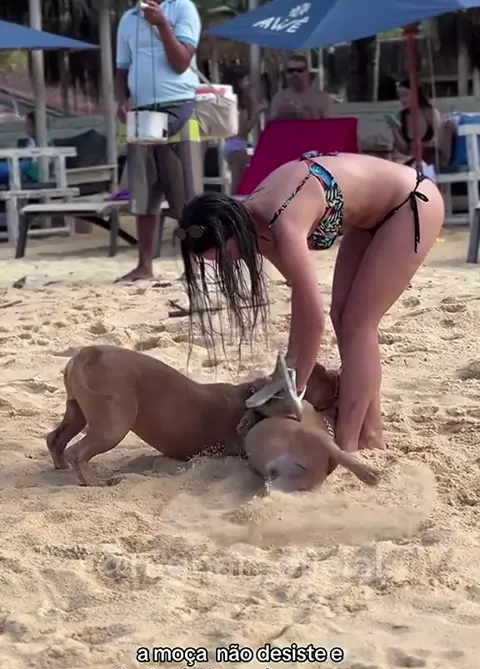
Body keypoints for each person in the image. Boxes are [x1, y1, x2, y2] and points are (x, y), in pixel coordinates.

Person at [176, 153, 444, 453]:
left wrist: (294, 387)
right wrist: (289, 370)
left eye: (229, 254)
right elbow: (301, 302)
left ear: (234, 229)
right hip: (372, 218)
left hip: (411, 202)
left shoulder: (280, 221)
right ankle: (371, 432)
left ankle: (347, 443)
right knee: (342, 316)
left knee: (358, 323)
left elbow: (313, 319)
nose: (232, 262)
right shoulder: (257, 229)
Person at [115, 0, 202, 283]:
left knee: (185, 196)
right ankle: (144, 265)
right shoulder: (128, 19)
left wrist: (163, 24)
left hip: (179, 108)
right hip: (141, 114)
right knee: (143, 195)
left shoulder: (183, 8)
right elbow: (122, 69)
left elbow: (181, 63)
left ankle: (194, 266)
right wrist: (121, 100)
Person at [387, 80, 453, 169]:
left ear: (417, 94)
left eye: (406, 95)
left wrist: (420, 146)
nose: (403, 100)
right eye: (400, 97)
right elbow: (404, 150)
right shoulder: (401, 116)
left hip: (432, 159)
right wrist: (394, 131)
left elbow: (439, 142)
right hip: (411, 160)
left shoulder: (431, 113)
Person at [223, 68, 266, 194]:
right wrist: (257, 115)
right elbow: (243, 130)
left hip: (233, 145)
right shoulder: (237, 104)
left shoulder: (236, 101)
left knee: (238, 183)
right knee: (237, 185)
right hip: (237, 146)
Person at [268, 54, 335, 122]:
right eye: (290, 71)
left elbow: (331, 126)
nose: (295, 74)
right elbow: (270, 125)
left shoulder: (323, 98)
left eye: (300, 70)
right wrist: (281, 116)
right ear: (285, 74)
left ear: (307, 73)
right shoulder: (279, 98)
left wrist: (310, 116)